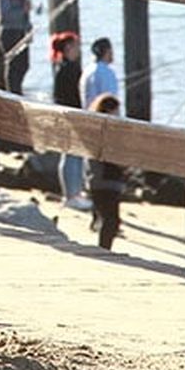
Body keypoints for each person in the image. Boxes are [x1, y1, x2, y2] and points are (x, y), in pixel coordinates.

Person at [52, 31, 92, 211]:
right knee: (72, 155)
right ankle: (72, 195)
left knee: (70, 154)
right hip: (71, 116)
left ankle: (72, 193)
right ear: (68, 48)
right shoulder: (70, 69)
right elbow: (74, 95)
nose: (78, 50)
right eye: (76, 46)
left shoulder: (63, 68)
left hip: (65, 116)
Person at [86, 92, 127, 249]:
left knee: (109, 219)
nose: (119, 115)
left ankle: (103, 248)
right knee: (111, 221)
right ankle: (103, 250)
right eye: (116, 111)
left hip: (99, 181)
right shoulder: (107, 132)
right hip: (106, 181)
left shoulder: (96, 129)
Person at [0, 0, 31, 93]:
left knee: (24, 65)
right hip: (9, 32)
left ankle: (18, 89)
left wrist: (28, 29)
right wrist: (23, 9)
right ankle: (12, 91)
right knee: (13, 66)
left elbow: (25, 16)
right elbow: (5, 16)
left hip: (21, 32)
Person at [81, 36, 119, 104]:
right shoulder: (107, 73)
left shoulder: (86, 71)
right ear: (108, 51)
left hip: (87, 112)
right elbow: (110, 99)